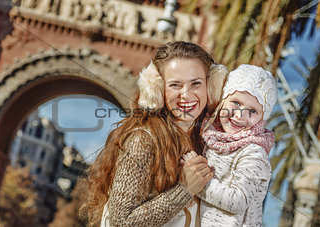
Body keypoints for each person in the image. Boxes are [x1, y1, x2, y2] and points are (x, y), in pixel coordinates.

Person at [82, 41, 228, 227]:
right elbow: (121, 222)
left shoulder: (208, 142)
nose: (186, 94)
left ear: (211, 86)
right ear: (157, 90)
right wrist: (184, 189)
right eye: (175, 85)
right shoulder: (143, 139)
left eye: (196, 83)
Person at [182, 64, 277, 226]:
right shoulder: (211, 137)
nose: (240, 115)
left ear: (262, 119)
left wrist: (197, 182)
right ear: (223, 101)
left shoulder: (254, 152)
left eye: (253, 111)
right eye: (236, 103)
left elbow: (238, 201)